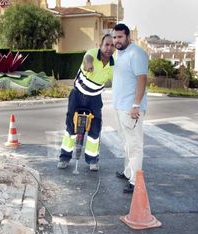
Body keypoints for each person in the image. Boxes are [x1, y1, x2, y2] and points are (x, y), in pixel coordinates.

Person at [58, 34, 115, 171]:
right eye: (106, 44)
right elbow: (87, 58)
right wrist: (88, 64)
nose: (109, 48)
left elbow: (117, 81)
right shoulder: (92, 54)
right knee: (71, 127)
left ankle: (92, 160)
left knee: (95, 129)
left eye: (112, 45)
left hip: (95, 99)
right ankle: (64, 158)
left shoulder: (113, 66)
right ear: (100, 46)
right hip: (77, 95)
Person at [112, 23, 149, 193]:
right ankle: (128, 172)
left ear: (127, 37)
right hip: (120, 107)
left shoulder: (136, 53)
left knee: (134, 145)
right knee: (126, 143)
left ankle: (135, 181)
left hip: (131, 108)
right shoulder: (120, 53)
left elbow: (142, 79)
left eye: (120, 37)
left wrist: (136, 105)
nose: (116, 40)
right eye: (114, 37)